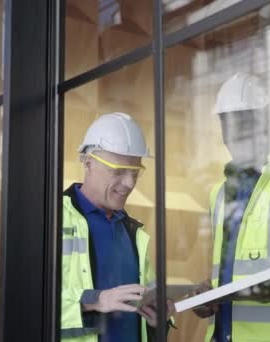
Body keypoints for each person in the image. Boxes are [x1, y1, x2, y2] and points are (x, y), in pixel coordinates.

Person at [193, 73, 270, 342]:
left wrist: (263, 290)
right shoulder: (219, 194)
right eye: (227, 123)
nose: (235, 134)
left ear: (264, 122)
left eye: (244, 122)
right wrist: (209, 293)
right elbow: (230, 273)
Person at [61, 112, 163, 342]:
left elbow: (149, 312)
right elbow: (27, 304)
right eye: (118, 171)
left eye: (135, 172)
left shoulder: (133, 232)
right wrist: (94, 300)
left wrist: (158, 318)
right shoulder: (50, 219)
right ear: (88, 163)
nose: (129, 183)